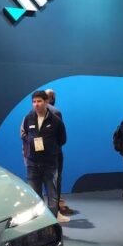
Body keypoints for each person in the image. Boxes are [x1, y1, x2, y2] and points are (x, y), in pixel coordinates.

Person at [21, 90, 67, 219]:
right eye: (34, 102)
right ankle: (40, 222)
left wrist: (50, 149)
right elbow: (25, 135)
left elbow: (62, 140)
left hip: (49, 164)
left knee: (52, 196)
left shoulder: (56, 120)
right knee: (35, 196)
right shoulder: (28, 118)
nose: (36, 104)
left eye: (39, 101)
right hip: (32, 164)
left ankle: (52, 223)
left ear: (46, 102)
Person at [45, 89, 74, 220]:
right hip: (53, 152)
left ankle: (57, 206)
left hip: (38, 154)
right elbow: (61, 136)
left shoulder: (30, 114)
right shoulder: (56, 112)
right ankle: (56, 210)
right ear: (51, 98)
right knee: (55, 180)